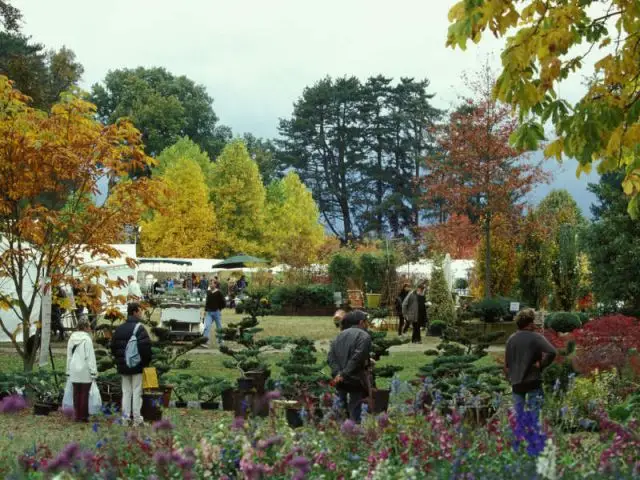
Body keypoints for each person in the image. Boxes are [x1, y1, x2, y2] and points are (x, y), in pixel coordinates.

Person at [505, 309, 557, 412]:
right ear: (529, 324)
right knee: (535, 415)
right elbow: (552, 352)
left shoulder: (511, 339)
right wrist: (541, 364)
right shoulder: (536, 337)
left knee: (518, 415)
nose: (534, 324)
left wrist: (509, 377)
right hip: (533, 380)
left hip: (516, 382)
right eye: (532, 322)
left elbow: (507, 364)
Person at [110, 303, 152, 426]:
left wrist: (120, 360)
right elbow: (145, 348)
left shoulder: (119, 328)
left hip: (123, 366)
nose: (141, 313)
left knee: (126, 392)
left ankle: (125, 418)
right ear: (134, 312)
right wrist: (145, 363)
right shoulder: (140, 328)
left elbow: (113, 347)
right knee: (137, 391)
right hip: (137, 365)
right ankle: (137, 419)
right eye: (140, 311)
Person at [327, 310, 372, 423]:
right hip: (355, 379)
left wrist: (338, 373)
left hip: (339, 379)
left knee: (339, 408)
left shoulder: (339, 336)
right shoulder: (364, 336)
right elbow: (357, 358)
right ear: (361, 322)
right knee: (356, 408)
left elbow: (331, 357)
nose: (368, 324)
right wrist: (344, 373)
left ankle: (339, 429)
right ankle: (353, 431)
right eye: (366, 321)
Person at [66, 320, 98, 422]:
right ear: (85, 327)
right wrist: (93, 371)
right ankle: (83, 416)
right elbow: (90, 357)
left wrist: (68, 370)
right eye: (88, 327)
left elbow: (69, 356)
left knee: (76, 393)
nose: (89, 329)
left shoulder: (71, 338)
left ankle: (77, 415)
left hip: (74, 369)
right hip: (85, 370)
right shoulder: (87, 339)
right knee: (84, 393)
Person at [203, 282, 226, 346]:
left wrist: (219, 309)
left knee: (219, 327)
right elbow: (207, 302)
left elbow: (223, 302)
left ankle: (220, 341)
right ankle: (205, 340)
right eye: (210, 284)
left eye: (212, 284)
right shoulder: (208, 292)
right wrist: (205, 310)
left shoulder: (219, 292)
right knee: (207, 326)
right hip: (209, 313)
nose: (210, 285)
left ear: (215, 285)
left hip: (216, 313)